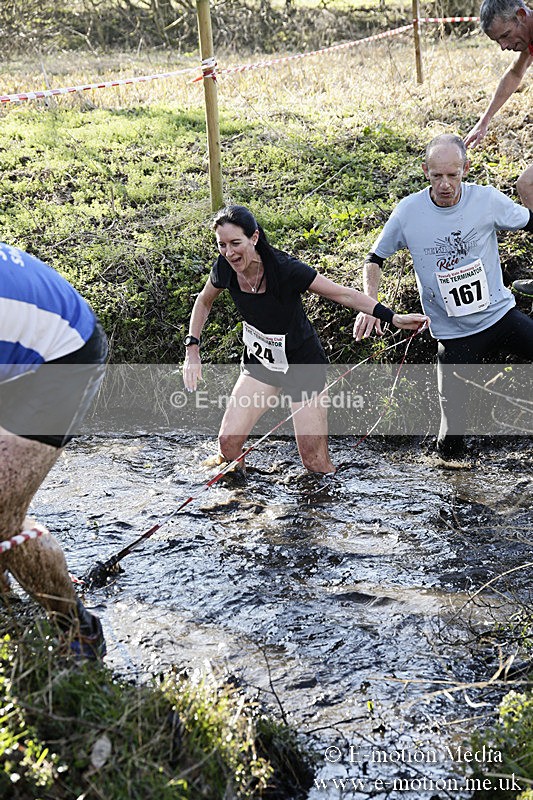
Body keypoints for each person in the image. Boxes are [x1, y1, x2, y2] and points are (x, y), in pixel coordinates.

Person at [182, 205, 428, 475]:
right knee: (227, 445)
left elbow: (343, 295)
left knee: (314, 462)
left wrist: (392, 317)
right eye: (222, 245)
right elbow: (204, 301)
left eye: (235, 243)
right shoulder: (224, 268)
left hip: (302, 365)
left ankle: (326, 511)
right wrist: (192, 348)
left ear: (254, 237)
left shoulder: (286, 269)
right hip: (261, 364)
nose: (229, 253)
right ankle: (242, 504)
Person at [353, 133, 533, 462]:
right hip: (454, 336)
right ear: (425, 171)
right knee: (451, 437)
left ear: (466, 167)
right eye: (437, 176)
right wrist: (370, 304)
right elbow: (374, 258)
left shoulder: (487, 200)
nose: (446, 184)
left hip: (501, 317)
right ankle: (454, 487)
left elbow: (530, 222)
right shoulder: (408, 212)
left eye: (453, 175)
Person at [0, 241, 108, 659]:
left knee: (2, 518)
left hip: (62, 355)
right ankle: (10, 619)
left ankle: (78, 632)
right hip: (15, 344)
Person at [465, 0, 533, 297]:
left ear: (521, 15)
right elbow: (515, 74)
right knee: (528, 185)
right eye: (498, 41)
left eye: (505, 36)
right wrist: (485, 120)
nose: (504, 46)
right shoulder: (529, 39)